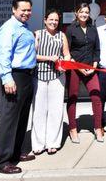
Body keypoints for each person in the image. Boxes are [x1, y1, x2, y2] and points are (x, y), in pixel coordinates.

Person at [0, 0, 37, 174]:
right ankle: (1, 161)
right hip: (14, 77)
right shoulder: (8, 28)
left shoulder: (24, 28)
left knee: (21, 118)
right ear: (13, 10)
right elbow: (3, 54)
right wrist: (6, 78)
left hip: (27, 77)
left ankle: (16, 153)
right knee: (9, 120)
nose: (26, 13)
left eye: (28, 10)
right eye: (22, 10)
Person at [31, 9, 71, 155]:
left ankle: (53, 142)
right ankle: (38, 143)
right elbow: (32, 55)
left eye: (56, 20)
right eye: (51, 19)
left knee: (55, 110)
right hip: (39, 76)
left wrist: (66, 62)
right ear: (45, 20)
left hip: (57, 77)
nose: (54, 22)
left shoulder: (62, 35)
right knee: (39, 111)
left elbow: (66, 54)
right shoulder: (38, 34)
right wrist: (50, 58)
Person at [65, 3, 103, 143]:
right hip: (75, 68)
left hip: (91, 67)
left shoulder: (93, 29)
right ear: (76, 13)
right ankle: (73, 129)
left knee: (96, 97)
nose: (84, 14)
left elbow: (97, 49)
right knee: (73, 97)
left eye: (86, 12)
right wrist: (78, 67)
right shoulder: (70, 29)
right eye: (81, 12)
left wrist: (94, 65)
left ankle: (98, 128)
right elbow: (67, 51)